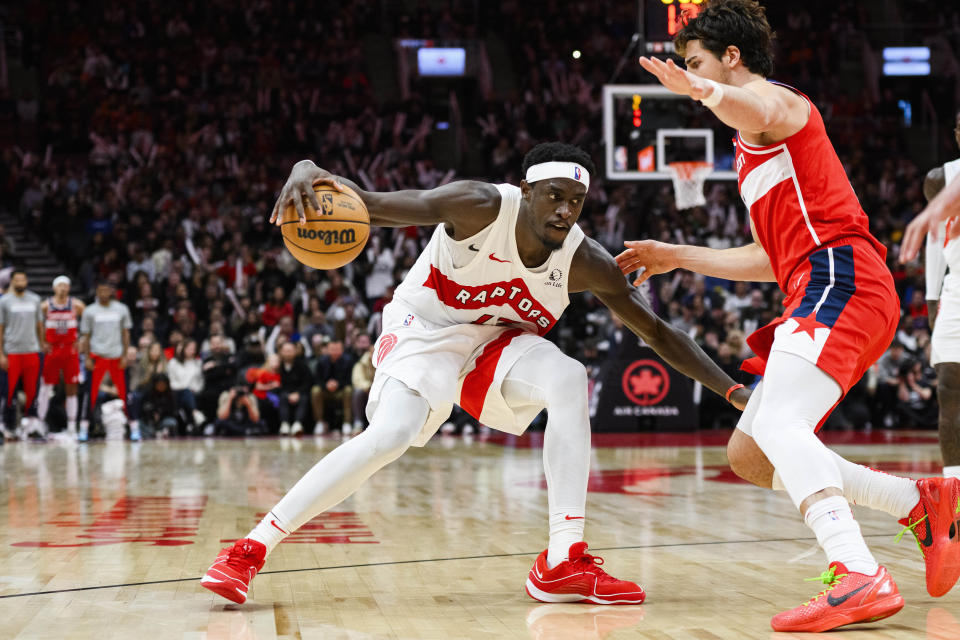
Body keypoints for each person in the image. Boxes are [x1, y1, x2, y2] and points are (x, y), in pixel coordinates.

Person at [202, 141, 752, 606]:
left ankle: (563, 559)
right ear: (527, 191)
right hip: (428, 327)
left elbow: (657, 332)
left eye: (576, 202)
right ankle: (250, 549)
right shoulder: (480, 206)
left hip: (496, 344)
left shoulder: (586, 261)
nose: (565, 211)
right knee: (390, 436)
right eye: (555, 196)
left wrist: (731, 389)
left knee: (567, 377)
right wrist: (307, 173)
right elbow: (371, 206)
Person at [615, 1, 960, 631]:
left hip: (842, 277)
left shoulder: (779, 106)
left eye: (696, 63)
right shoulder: (751, 149)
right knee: (750, 451)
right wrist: (675, 256)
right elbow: (767, 257)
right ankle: (917, 500)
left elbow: (761, 106)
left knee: (781, 421)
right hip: (814, 284)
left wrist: (701, 87)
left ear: (731, 58)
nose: (691, 77)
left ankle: (857, 570)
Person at [918, 110, 960, 480]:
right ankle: (955, 491)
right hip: (957, 289)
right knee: (949, 387)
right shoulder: (941, 178)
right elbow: (934, 238)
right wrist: (932, 297)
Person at [79, 281, 132, 442]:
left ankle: (132, 427)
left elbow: (126, 334)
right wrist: (87, 358)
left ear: (111, 291)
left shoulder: (122, 309)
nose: (103, 293)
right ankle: (84, 429)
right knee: (90, 395)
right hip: (97, 356)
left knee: (124, 393)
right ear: (96, 292)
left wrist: (124, 355)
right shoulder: (89, 311)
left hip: (116, 355)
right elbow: (86, 337)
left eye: (106, 290)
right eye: (100, 290)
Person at [37, 276, 85, 439]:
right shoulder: (45, 306)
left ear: (69, 288)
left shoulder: (77, 305)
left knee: (72, 386)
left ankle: (72, 426)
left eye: (66, 286)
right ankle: (40, 422)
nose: (63, 288)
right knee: (46, 386)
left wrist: (82, 339)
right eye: (60, 286)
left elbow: (89, 322)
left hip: (70, 350)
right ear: (54, 288)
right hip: (53, 350)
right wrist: (41, 341)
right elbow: (37, 324)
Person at [0, 271, 45, 438]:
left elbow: (39, 325)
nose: (20, 282)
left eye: (23, 279)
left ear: (26, 281)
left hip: (32, 350)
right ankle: (7, 425)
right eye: (16, 279)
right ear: (12, 282)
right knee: (8, 391)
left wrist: (41, 345)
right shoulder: (4, 301)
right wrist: (1, 354)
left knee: (32, 390)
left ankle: (32, 424)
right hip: (11, 351)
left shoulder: (35, 299)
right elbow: (1, 328)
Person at [310, 339, 354, 435]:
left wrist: (338, 384)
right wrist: (326, 385)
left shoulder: (348, 361)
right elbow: (317, 380)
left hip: (341, 391)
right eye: (332, 349)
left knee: (349, 390)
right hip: (325, 391)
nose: (335, 351)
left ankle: (347, 422)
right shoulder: (321, 361)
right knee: (315, 390)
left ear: (342, 350)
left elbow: (349, 380)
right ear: (328, 349)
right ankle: (319, 422)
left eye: (337, 349)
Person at [276, 341, 312, 436]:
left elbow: (307, 382)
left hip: (300, 392)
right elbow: (277, 383)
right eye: (286, 351)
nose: (288, 353)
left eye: (290, 351)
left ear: (295, 351)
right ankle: (285, 424)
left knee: (304, 398)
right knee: (282, 397)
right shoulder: (278, 366)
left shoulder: (303, 365)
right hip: (284, 393)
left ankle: (298, 424)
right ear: (281, 352)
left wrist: (298, 393)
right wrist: (288, 394)